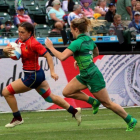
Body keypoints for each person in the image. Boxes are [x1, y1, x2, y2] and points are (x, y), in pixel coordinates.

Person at [45, 17, 137, 131]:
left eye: (72, 30)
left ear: (77, 29)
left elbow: (62, 57)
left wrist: (50, 47)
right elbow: (96, 52)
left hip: (92, 76)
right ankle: (93, 101)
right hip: (85, 74)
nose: (71, 32)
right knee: (67, 92)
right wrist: (80, 60)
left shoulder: (76, 42)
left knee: (107, 103)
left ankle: (130, 119)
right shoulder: (89, 39)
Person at [2, 22, 82, 128]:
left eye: (23, 32)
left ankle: (17, 118)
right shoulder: (18, 41)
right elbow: (16, 57)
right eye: (19, 32)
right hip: (36, 75)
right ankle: (74, 111)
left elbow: (48, 56)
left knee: (6, 92)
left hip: (32, 76)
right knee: (49, 98)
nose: (20, 34)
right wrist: (5, 51)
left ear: (30, 33)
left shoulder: (33, 43)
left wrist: (52, 72)